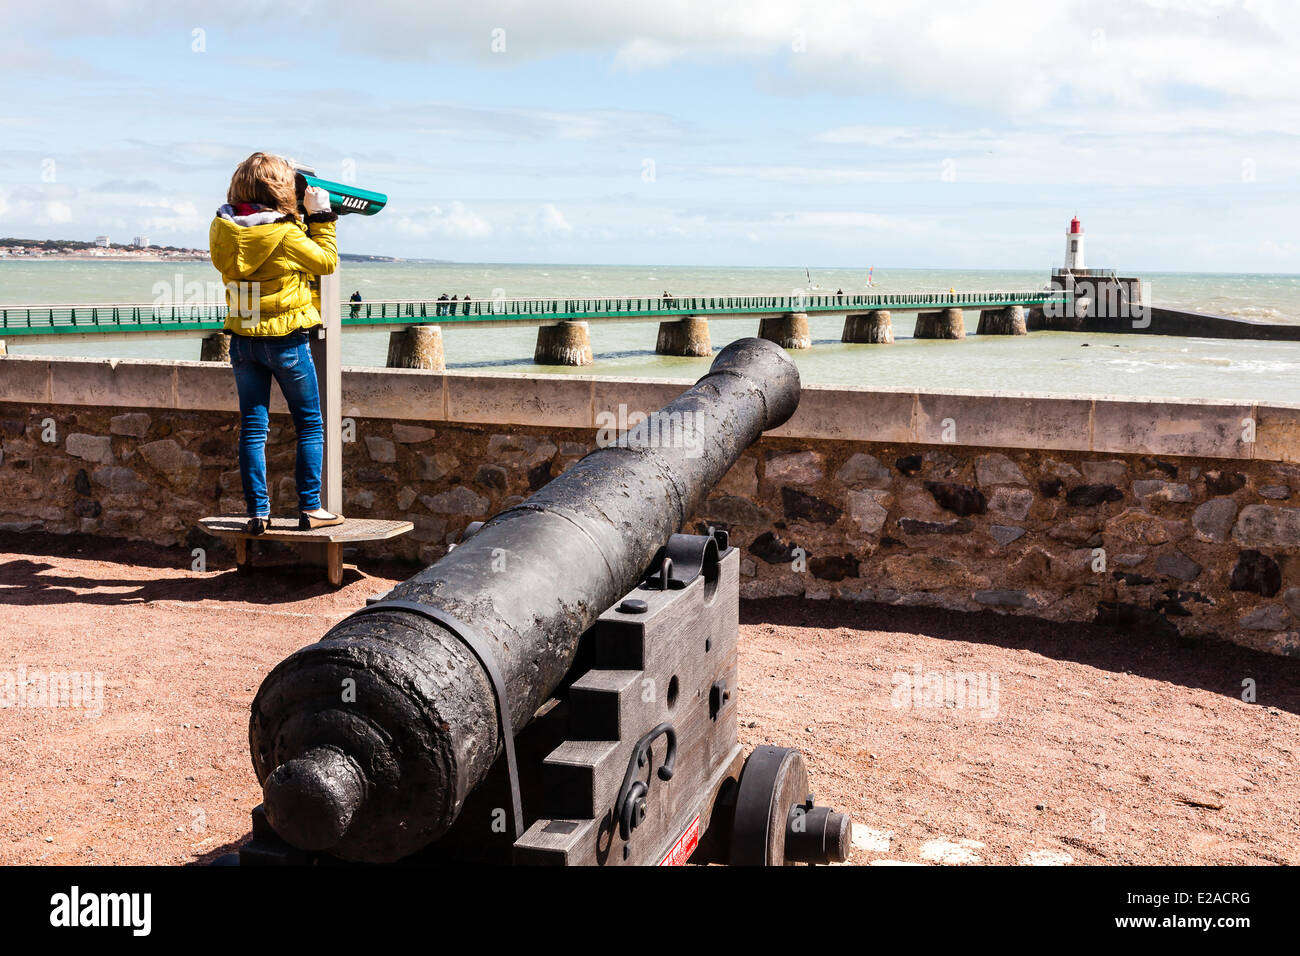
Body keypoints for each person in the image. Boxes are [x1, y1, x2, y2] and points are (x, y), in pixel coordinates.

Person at [209, 151, 344, 536]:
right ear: (281, 189)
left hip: (243, 340)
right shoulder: (285, 235)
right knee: (309, 425)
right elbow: (326, 261)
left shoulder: (221, 228)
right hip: (285, 341)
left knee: (253, 428)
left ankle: (257, 513)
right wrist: (320, 217)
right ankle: (311, 508)